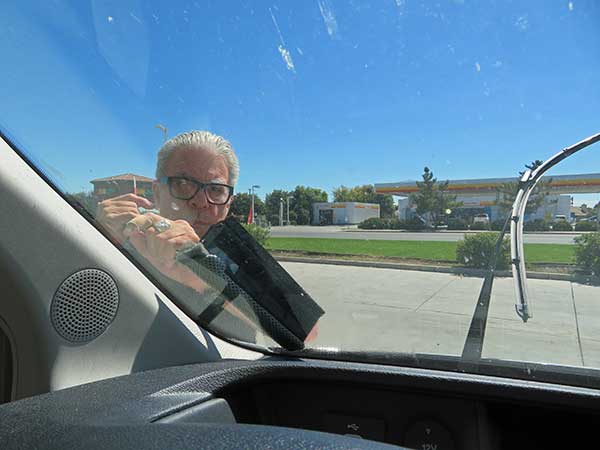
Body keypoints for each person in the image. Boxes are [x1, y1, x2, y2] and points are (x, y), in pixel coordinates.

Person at [97, 130, 238, 292]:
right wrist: (99, 240)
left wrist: (202, 276)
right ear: (157, 193)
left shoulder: (248, 271)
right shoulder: (128, 244)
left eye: (215, 189)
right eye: (183, 184)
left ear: (228, 204)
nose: (200, 202)